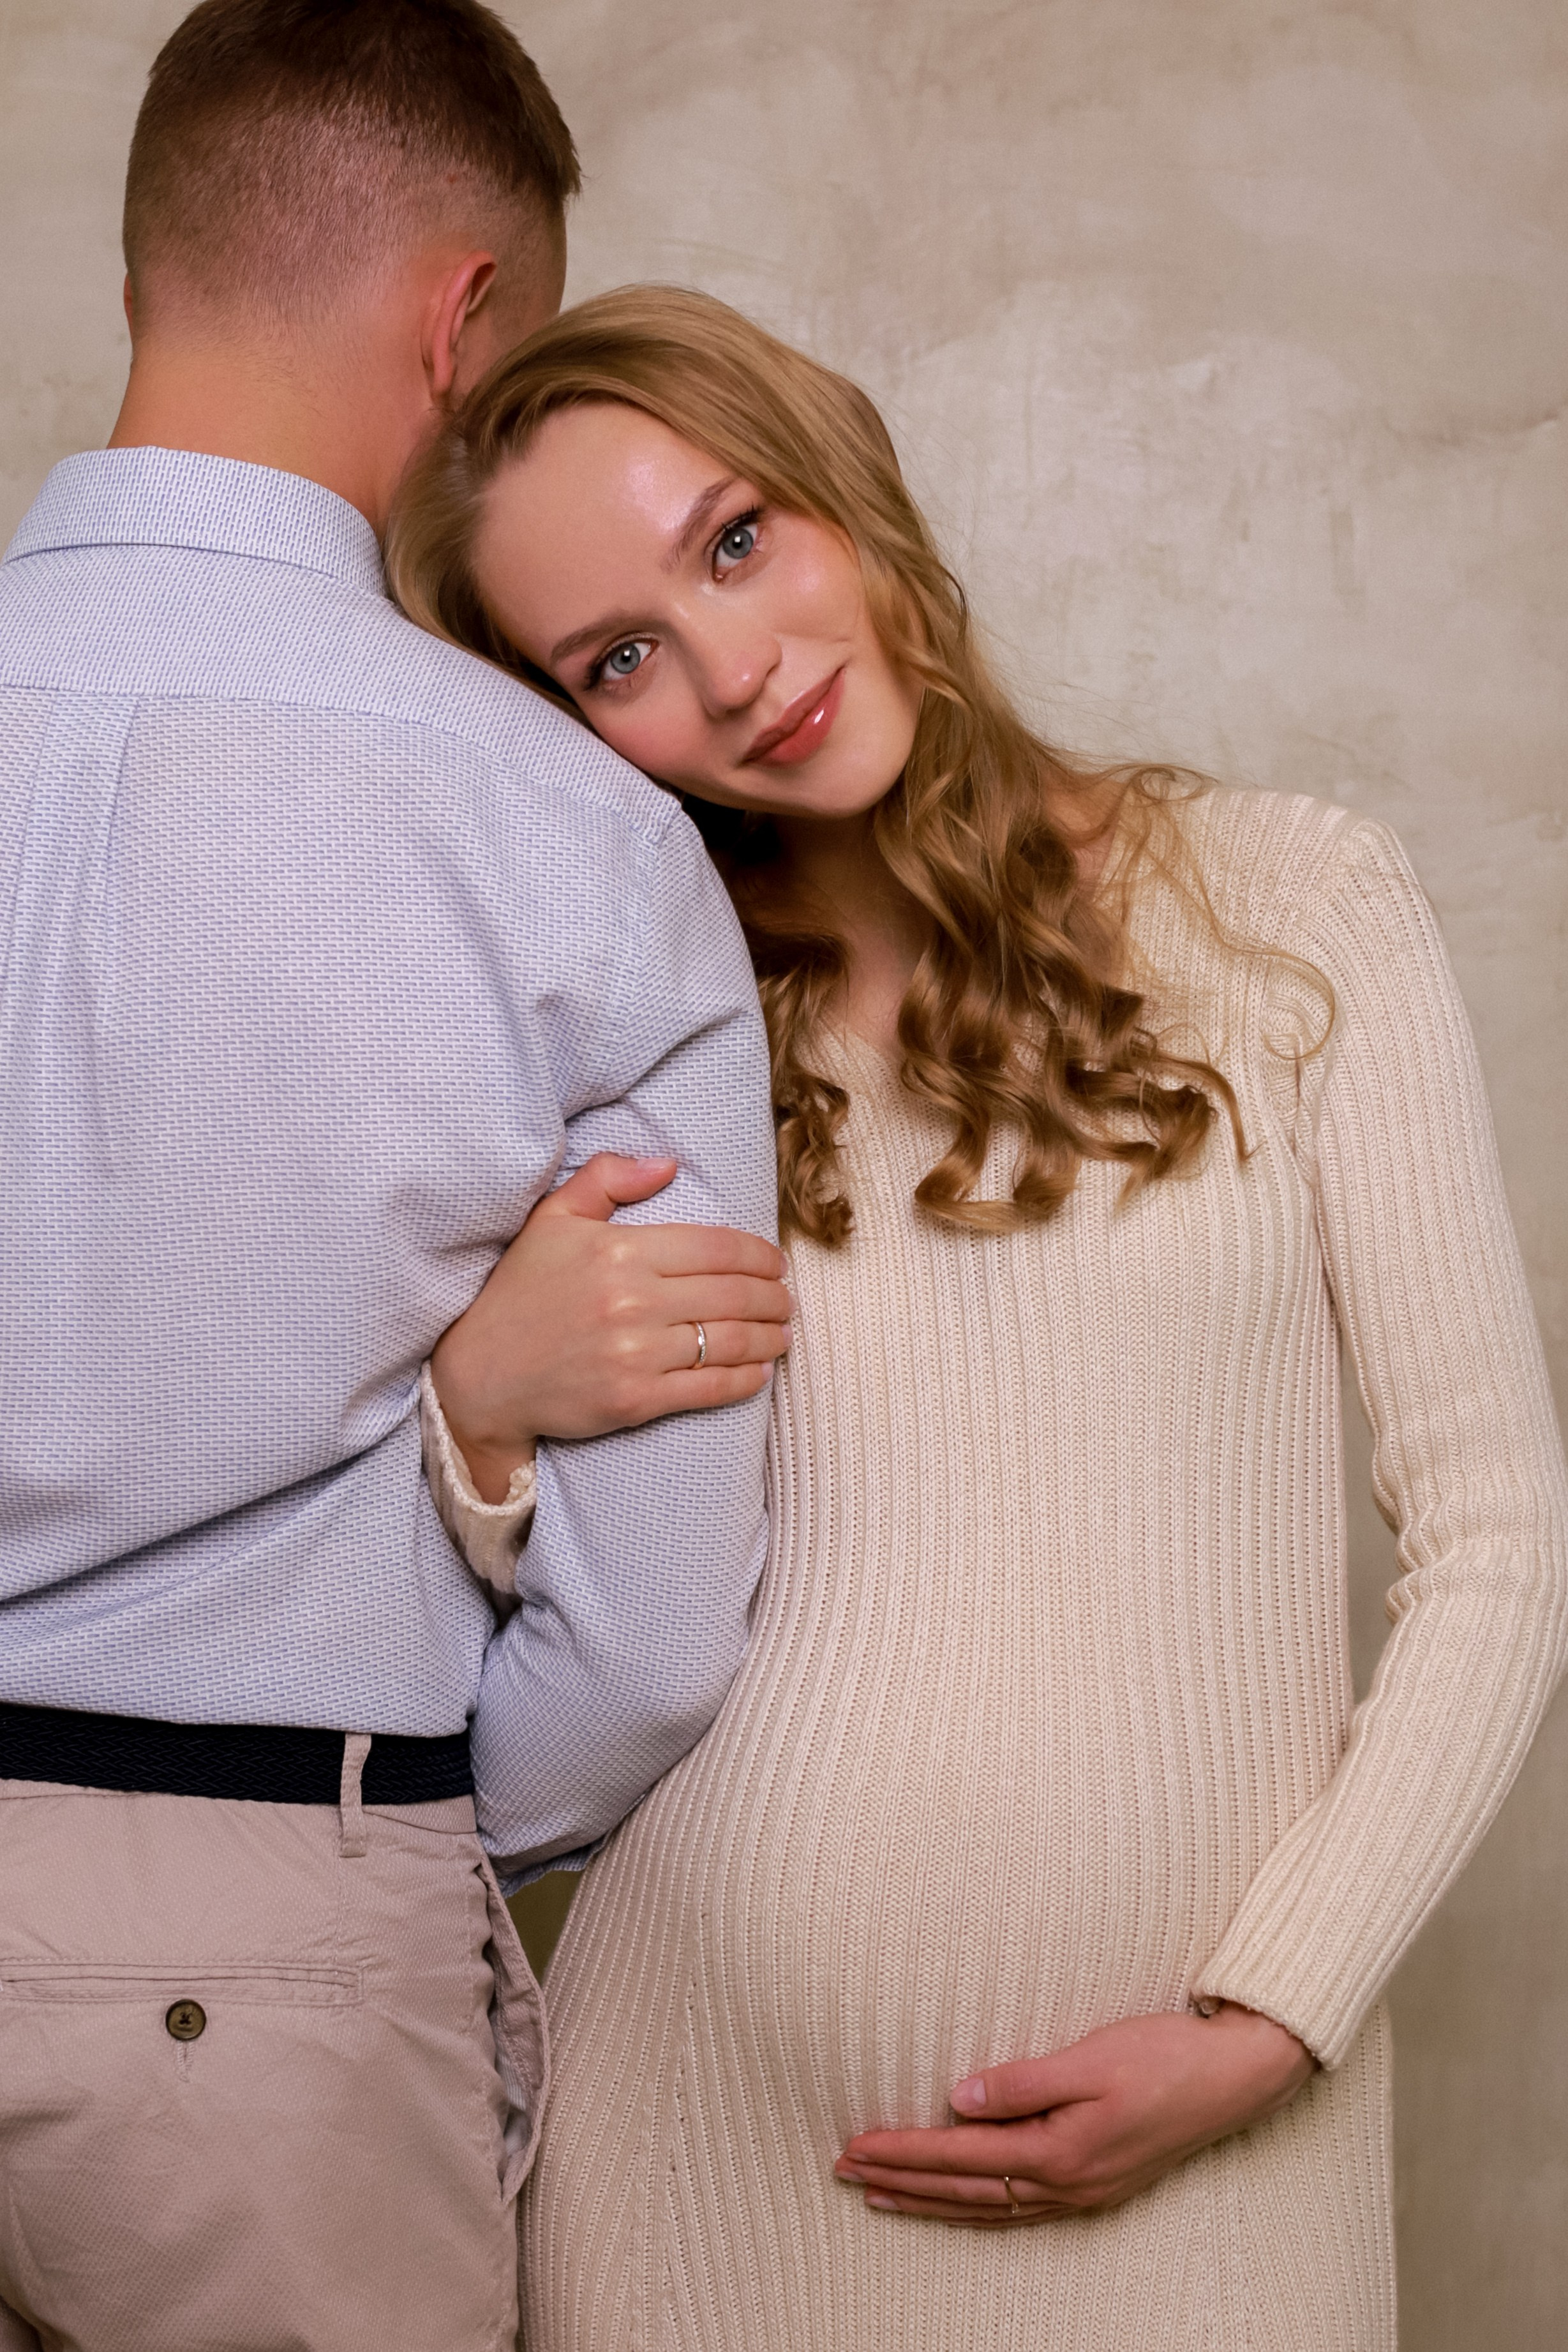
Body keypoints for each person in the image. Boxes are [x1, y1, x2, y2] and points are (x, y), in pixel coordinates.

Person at [391, 286, 1568, 2351]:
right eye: (620, 658)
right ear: (560, 727)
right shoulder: (625, 1046)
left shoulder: (1286, 905)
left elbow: (1498, 1545)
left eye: (737, 538)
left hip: (1220, 2166)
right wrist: (474, 1413)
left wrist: (1267, 2019)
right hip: (690, 2157)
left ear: (847, 481)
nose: (736, 673)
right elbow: (477, 1651)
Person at [0, 15, 792, 2351]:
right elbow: (646, 1643)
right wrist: (393, 1847)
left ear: (149, 258)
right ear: (460, 321)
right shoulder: (570, 836)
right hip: (254, 1948)